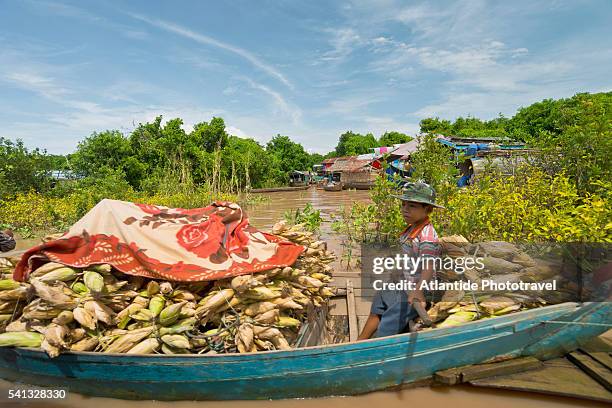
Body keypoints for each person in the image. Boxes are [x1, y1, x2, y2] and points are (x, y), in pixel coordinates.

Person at [358, 182, 443, 339]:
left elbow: (428, 267)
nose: (405, 209)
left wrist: (418, 291)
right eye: (403, 204)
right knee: (377, 305)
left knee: (386, 328)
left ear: (427, 209)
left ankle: (377, 351)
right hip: (403, 284)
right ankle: (357, 344)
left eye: (412, 206)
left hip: (417, 290)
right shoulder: (411, 229)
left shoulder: (427, 236)